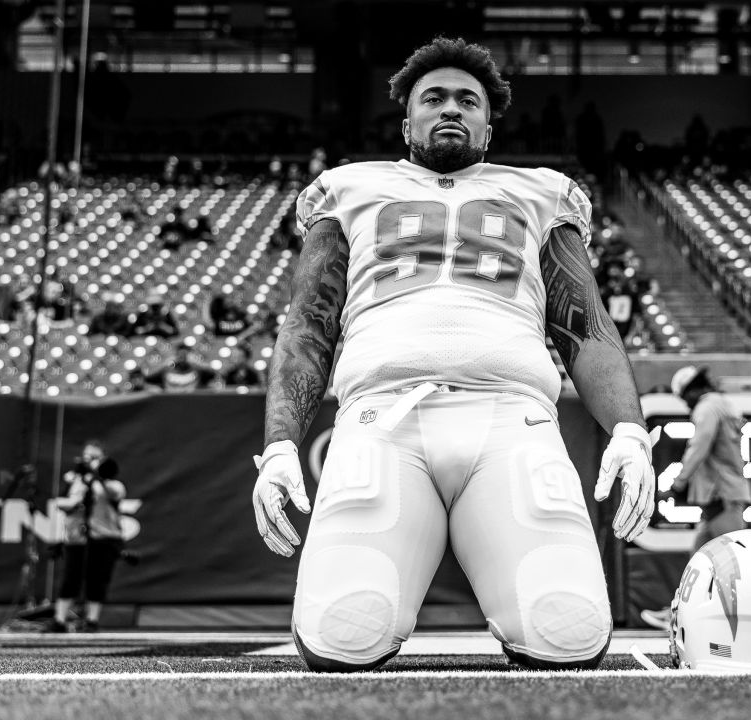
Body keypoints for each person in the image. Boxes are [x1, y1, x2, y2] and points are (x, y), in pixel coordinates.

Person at [251, 37, 657, 674]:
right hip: (381, 421)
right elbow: (308, 324)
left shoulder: (541, 193)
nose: (451, 108)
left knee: (566, 627)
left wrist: (629, 431)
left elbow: (586, 329)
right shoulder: (350, 188)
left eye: (467, 101)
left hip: (512, 420)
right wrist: (280, 442)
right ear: (406, 120)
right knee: (344, 630)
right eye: (432, 98)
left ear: (488, 126)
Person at [640, 365, 749, 630]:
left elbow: (699, 446)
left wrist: (678, 484)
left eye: (683, 396)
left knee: (733, 565)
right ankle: (679, 613)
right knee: (699, 561)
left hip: (722, 496)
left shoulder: (707, 408)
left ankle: (742, 621)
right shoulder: (725, 405)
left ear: (693, 390)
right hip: (720, 498)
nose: (684, 403)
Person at [48, 440, 126, 632]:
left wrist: (97, 477)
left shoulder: (110, 483)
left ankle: (92, 620)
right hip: (77, 537)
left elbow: (115, 494)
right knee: (71, 577)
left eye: (94, 457)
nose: (89, 461)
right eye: (86, 457)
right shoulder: (74, 481)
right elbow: (62, 503)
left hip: (102, 538)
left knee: (97, 578)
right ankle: (60, 619)